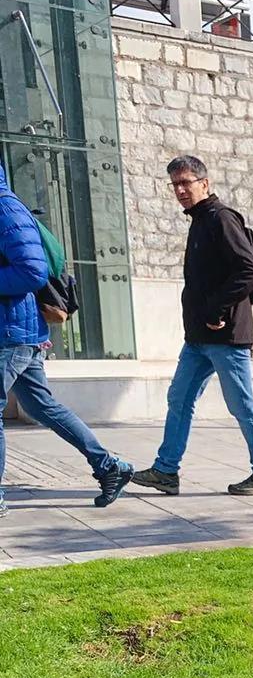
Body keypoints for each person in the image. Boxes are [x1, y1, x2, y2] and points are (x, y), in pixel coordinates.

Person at [131, 156, 253, 499]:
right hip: (198, 337)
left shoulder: (221, 219)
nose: (181, 190)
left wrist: (216, 307)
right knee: (179, 399)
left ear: (205, 183)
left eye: (187, 182)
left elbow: (249, 271)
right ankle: (166, 471)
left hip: (225, 336)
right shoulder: (199, 221)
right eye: (176, 184)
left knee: (242, 405)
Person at [0, 164, 133, 516]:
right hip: (16, 330)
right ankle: (109, 467)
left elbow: (32, 270)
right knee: (43, 406)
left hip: (11, 332)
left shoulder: (5, 207)